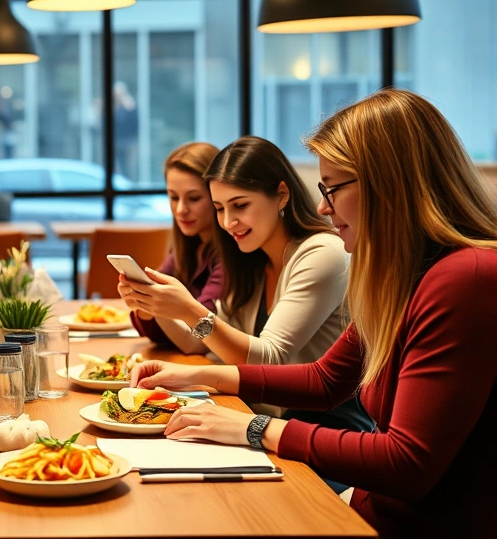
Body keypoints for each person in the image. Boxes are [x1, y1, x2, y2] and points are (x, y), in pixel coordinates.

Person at [129, 89, 496, 537]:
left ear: (390, 183)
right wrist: (194, 377)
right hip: (366, 504)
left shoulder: (467, 278)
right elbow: (325, 379)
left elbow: (407, 462)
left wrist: (254, 428)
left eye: (334, 188)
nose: (323, 206)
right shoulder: (405, 272)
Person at [118, 136, 371, 434]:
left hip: (323, 431)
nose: (228, 222)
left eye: (240, 205)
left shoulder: (323, 253)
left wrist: (188, 310)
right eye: (220, 208)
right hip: (262, 421)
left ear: (281, 195)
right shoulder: (251, 261)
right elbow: (204, 344)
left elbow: (270, 360)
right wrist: (157, 305)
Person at [123, 142, 223, 352]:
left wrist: (151, 302)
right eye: (173, 197)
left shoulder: (230, 254)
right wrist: (143, 303)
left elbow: (202, 332)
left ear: (218, 195)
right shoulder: (186, 245)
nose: (180, 210)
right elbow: (155, 334)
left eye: (194, 198)